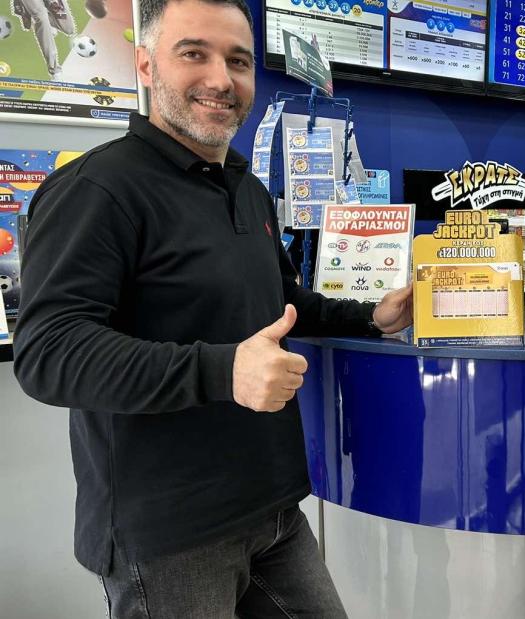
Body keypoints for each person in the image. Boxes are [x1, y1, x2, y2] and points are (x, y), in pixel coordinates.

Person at [13, 0, 413, 616]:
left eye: (239, 61)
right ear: (146, 65)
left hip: (274, 511)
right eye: (193, 54)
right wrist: (224, 371)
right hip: (169, 538)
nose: (221, 79)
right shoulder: (96, 189)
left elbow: (280, 301)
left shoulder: (246, 188)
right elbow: (49, 353)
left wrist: (369, 316)